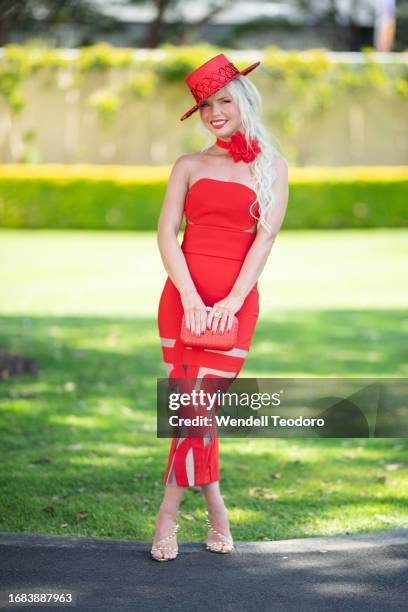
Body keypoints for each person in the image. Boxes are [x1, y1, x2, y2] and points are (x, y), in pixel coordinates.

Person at [151, 53, 289, 561]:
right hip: (181, 302)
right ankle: (213, 510)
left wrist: (229, 303)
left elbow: (265, 239)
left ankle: (170, 514)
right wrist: (190, 298)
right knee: (194, 410)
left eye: (224, 101)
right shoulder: (188, 165)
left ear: (244, 101)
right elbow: (167, 233)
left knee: (195, 407)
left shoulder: (271, 166)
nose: (214, 112)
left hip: (235, 306)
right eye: (205, 105)